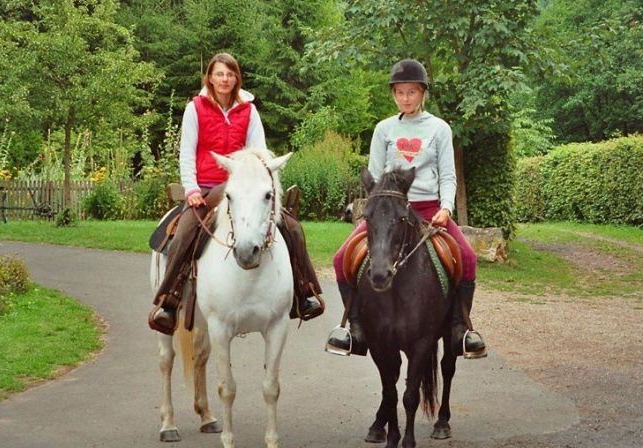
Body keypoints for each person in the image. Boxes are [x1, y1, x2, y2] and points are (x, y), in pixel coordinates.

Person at [149, 52, 324, 334]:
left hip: (244, 188)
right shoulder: (195, 108)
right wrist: (192, 189)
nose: (225, 79)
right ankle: (168, 300)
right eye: (219, 74)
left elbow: (260, 154)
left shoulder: (249, 111)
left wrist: (262, 187)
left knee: (291, 227)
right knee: (184, 231)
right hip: (207, 188)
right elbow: (186, 152)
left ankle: (305, 292)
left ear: (236, 78)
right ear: (210, 77)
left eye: (230, 74)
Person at [326, 58, 486, 359]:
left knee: (468, 257)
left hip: (428, 210)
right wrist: (376, 212)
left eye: (411, 92)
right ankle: (355, 328)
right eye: (400, 92)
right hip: (388, 211)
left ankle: (460, 329)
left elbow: (448, 175)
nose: (406, 98)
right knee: (339, 259)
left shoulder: (439, 129)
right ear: (393, 94)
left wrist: (447, 208)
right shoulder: (383, 129)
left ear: (422, 93)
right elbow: (373, 179)